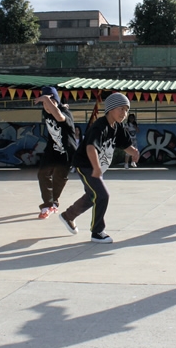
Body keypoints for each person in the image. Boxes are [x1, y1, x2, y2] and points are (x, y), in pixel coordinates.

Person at [59, 93, 139, 244]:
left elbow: (125, 145)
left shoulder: (118, 127)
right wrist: (96, 168)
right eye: (121, 109)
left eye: (126, 110)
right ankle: (97, 232)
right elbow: (90, 148)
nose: (124, 113)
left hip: (95, 167)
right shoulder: (99, 126)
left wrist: (133, 152)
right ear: (110, 109)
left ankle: (68, 216)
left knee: (92, 196)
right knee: (102, 195)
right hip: (86, 164)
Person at [34, 87, 77, 219]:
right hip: (52, 149)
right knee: (43, 173)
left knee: (60, 178)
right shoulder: (46, 111)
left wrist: (47, 99)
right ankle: (47, 205)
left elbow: (59, 116)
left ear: (56, 103)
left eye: (50, 103)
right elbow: (51, 110)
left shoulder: (65, 113)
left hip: (67, 151)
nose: (47, 107)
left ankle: (54, 202)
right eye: (44, 104)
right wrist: (47, 102)